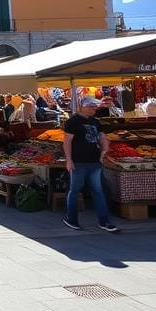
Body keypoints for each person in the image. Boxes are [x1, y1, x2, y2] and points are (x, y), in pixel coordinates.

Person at [62, 96, 119, 232]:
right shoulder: (72, 122)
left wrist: (105, 150)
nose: (94, 109)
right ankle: (72, 219)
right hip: (78, 162)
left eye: (95, 107)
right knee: (75, 191)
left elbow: (102, 137)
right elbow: (67, 142)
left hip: (94, 162)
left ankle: (104, 221)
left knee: (98, 191)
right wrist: (69, 160)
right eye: (91, 106)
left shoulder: (96, 122)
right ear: (82, 106)